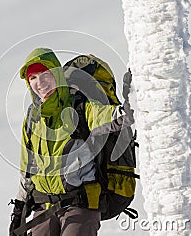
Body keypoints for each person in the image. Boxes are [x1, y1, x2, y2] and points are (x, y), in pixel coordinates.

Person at [9, 48, 134, 236]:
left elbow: (103, 116)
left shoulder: (79, 105)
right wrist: (19, 208)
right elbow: (27, 168)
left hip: (80, 203)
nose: (39, 83)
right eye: (33, 78)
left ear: (57, 75)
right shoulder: (32, 117)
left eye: (44, 75)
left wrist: (124, 112)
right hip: (44, 207)